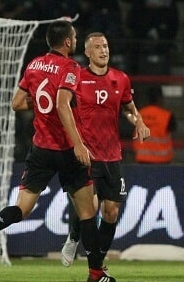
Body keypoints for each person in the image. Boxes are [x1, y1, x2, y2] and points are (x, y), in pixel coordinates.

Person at [0, 20, 116, 282]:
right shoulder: (71, 67)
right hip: (66, 149)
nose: (75, 41)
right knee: (88, 211)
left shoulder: (34, 65)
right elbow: (62, 104)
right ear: (67, 42)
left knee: (22, 208)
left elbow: (17, 103)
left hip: (40, 149)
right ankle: (96, 272)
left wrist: (41, 106)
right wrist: (78, 143)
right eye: (74, 37)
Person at [60, 32, 150, 267]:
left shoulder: (120, 79)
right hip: (86, 155)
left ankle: (97, 260)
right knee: (90, 207)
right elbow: (63, 106)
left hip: (112, 155)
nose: (103, 50)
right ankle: (74, 237)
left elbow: (129, 108)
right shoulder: (77, 77)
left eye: (106, 46)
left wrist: (139, 121)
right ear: (88, 52)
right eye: (97, 47)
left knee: (111, 212)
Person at [134, 86, 175, 164]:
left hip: (142, 159)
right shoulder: (167, 116)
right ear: (160, 98)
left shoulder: (139, 114)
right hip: (162, 161)